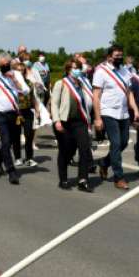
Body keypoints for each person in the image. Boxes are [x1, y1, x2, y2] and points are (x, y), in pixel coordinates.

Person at [93, 45, 139, 190]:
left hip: (123, 112)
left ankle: (104, 162)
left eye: (120, 55)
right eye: (116, 56)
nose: (119, 58)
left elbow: (129, 92)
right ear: (109, 57)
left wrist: (135, 109)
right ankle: (119, 177)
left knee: (124, 142)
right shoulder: (101, 72)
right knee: (116, 143)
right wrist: (98, 118)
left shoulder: (125, 71)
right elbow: (96, 96)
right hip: (108, 112)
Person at [0, 53, 27, 184]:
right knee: (6, 141)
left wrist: (14, 79)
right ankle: (11, 171)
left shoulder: (16, 74)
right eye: (2, 65)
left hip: (14, 112)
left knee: (12, 141)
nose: (5, 66)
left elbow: (25, 90)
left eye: (7, 64)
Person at [50, 59, 94, 192]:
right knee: (66, 151)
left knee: (85, 149)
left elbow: (85, 104)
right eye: (75, 68)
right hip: (65, 122)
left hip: (80, 122)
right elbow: (54, 103)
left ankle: (83, 180)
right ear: (68, 69)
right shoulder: (61, 83)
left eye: (79, 68)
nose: (78, 70)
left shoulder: (82, 84)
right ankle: (63, 179)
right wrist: (56, 120)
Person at [11, 60, 38, 167]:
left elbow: (33, 97)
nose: (20, 72)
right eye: (18, 70)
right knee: (16, 136)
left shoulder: (29, 83)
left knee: (29, 135)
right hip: (16, 112)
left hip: (27, 111)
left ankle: (29, 158)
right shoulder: (11, 84)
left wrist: (37, 110)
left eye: (22, 70)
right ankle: (17, 158)